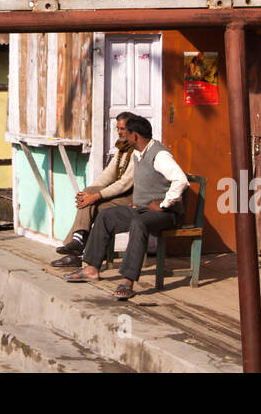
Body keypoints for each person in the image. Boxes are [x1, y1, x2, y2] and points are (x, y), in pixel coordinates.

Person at [64, 114, 188, 299]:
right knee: (106, 215)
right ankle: (91, 268)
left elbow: (181, 180)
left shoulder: (160, 155)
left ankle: (128, 280)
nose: (123, 136)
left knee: (138, 223)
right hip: (142, 209)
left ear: (135, 136)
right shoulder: (138, 153)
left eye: (126, 133)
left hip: (166, 214)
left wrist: (164, 203)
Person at [51, 111, 139, 268]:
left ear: (133, 130)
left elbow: (124, 183)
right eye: (118, 128)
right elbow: (108, 175)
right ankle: (77, 244)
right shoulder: (121, 149)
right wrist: (89, 192)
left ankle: (76, 246)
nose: (119, 132)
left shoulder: (137, 152)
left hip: (132, 198)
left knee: (94, 204)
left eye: (123, 128)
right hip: (119, 195)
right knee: (89, 200)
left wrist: (96, 195)